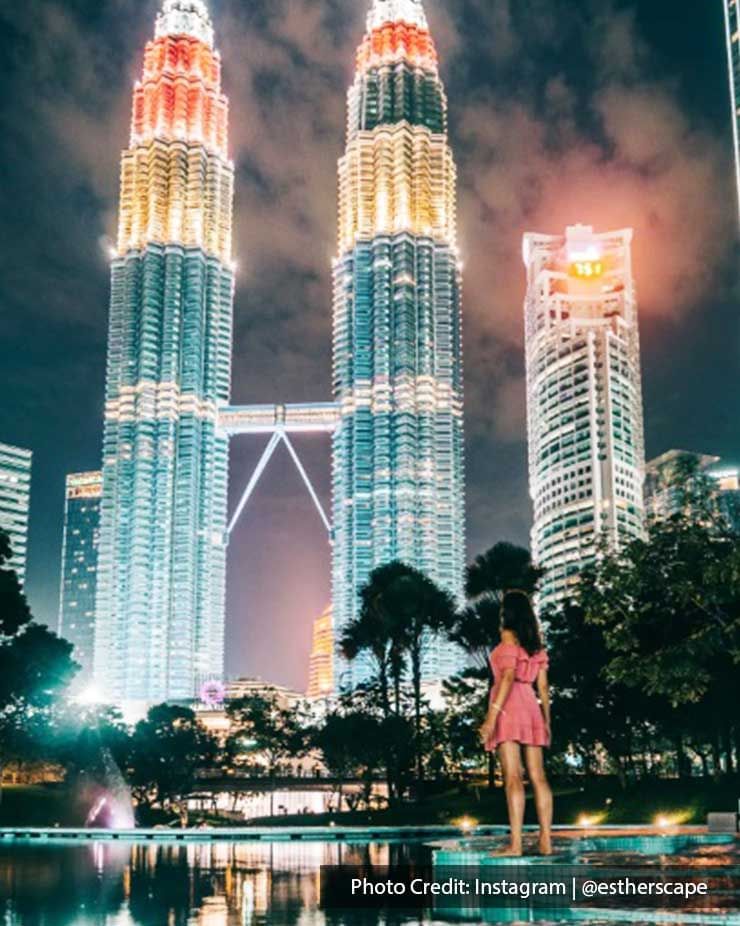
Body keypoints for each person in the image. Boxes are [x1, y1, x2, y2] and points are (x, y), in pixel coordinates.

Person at [479, 590, 553, 856]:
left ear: (507, 612)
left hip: (509, 706)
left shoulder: (508, 636)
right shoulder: (536, 644)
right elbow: (543, 688)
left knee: (513, 778)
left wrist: (491, 718)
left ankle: (517, 844)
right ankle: (546, 841)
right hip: (530, 705)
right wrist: (546, 723)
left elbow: (507, 677)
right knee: (538, 777)